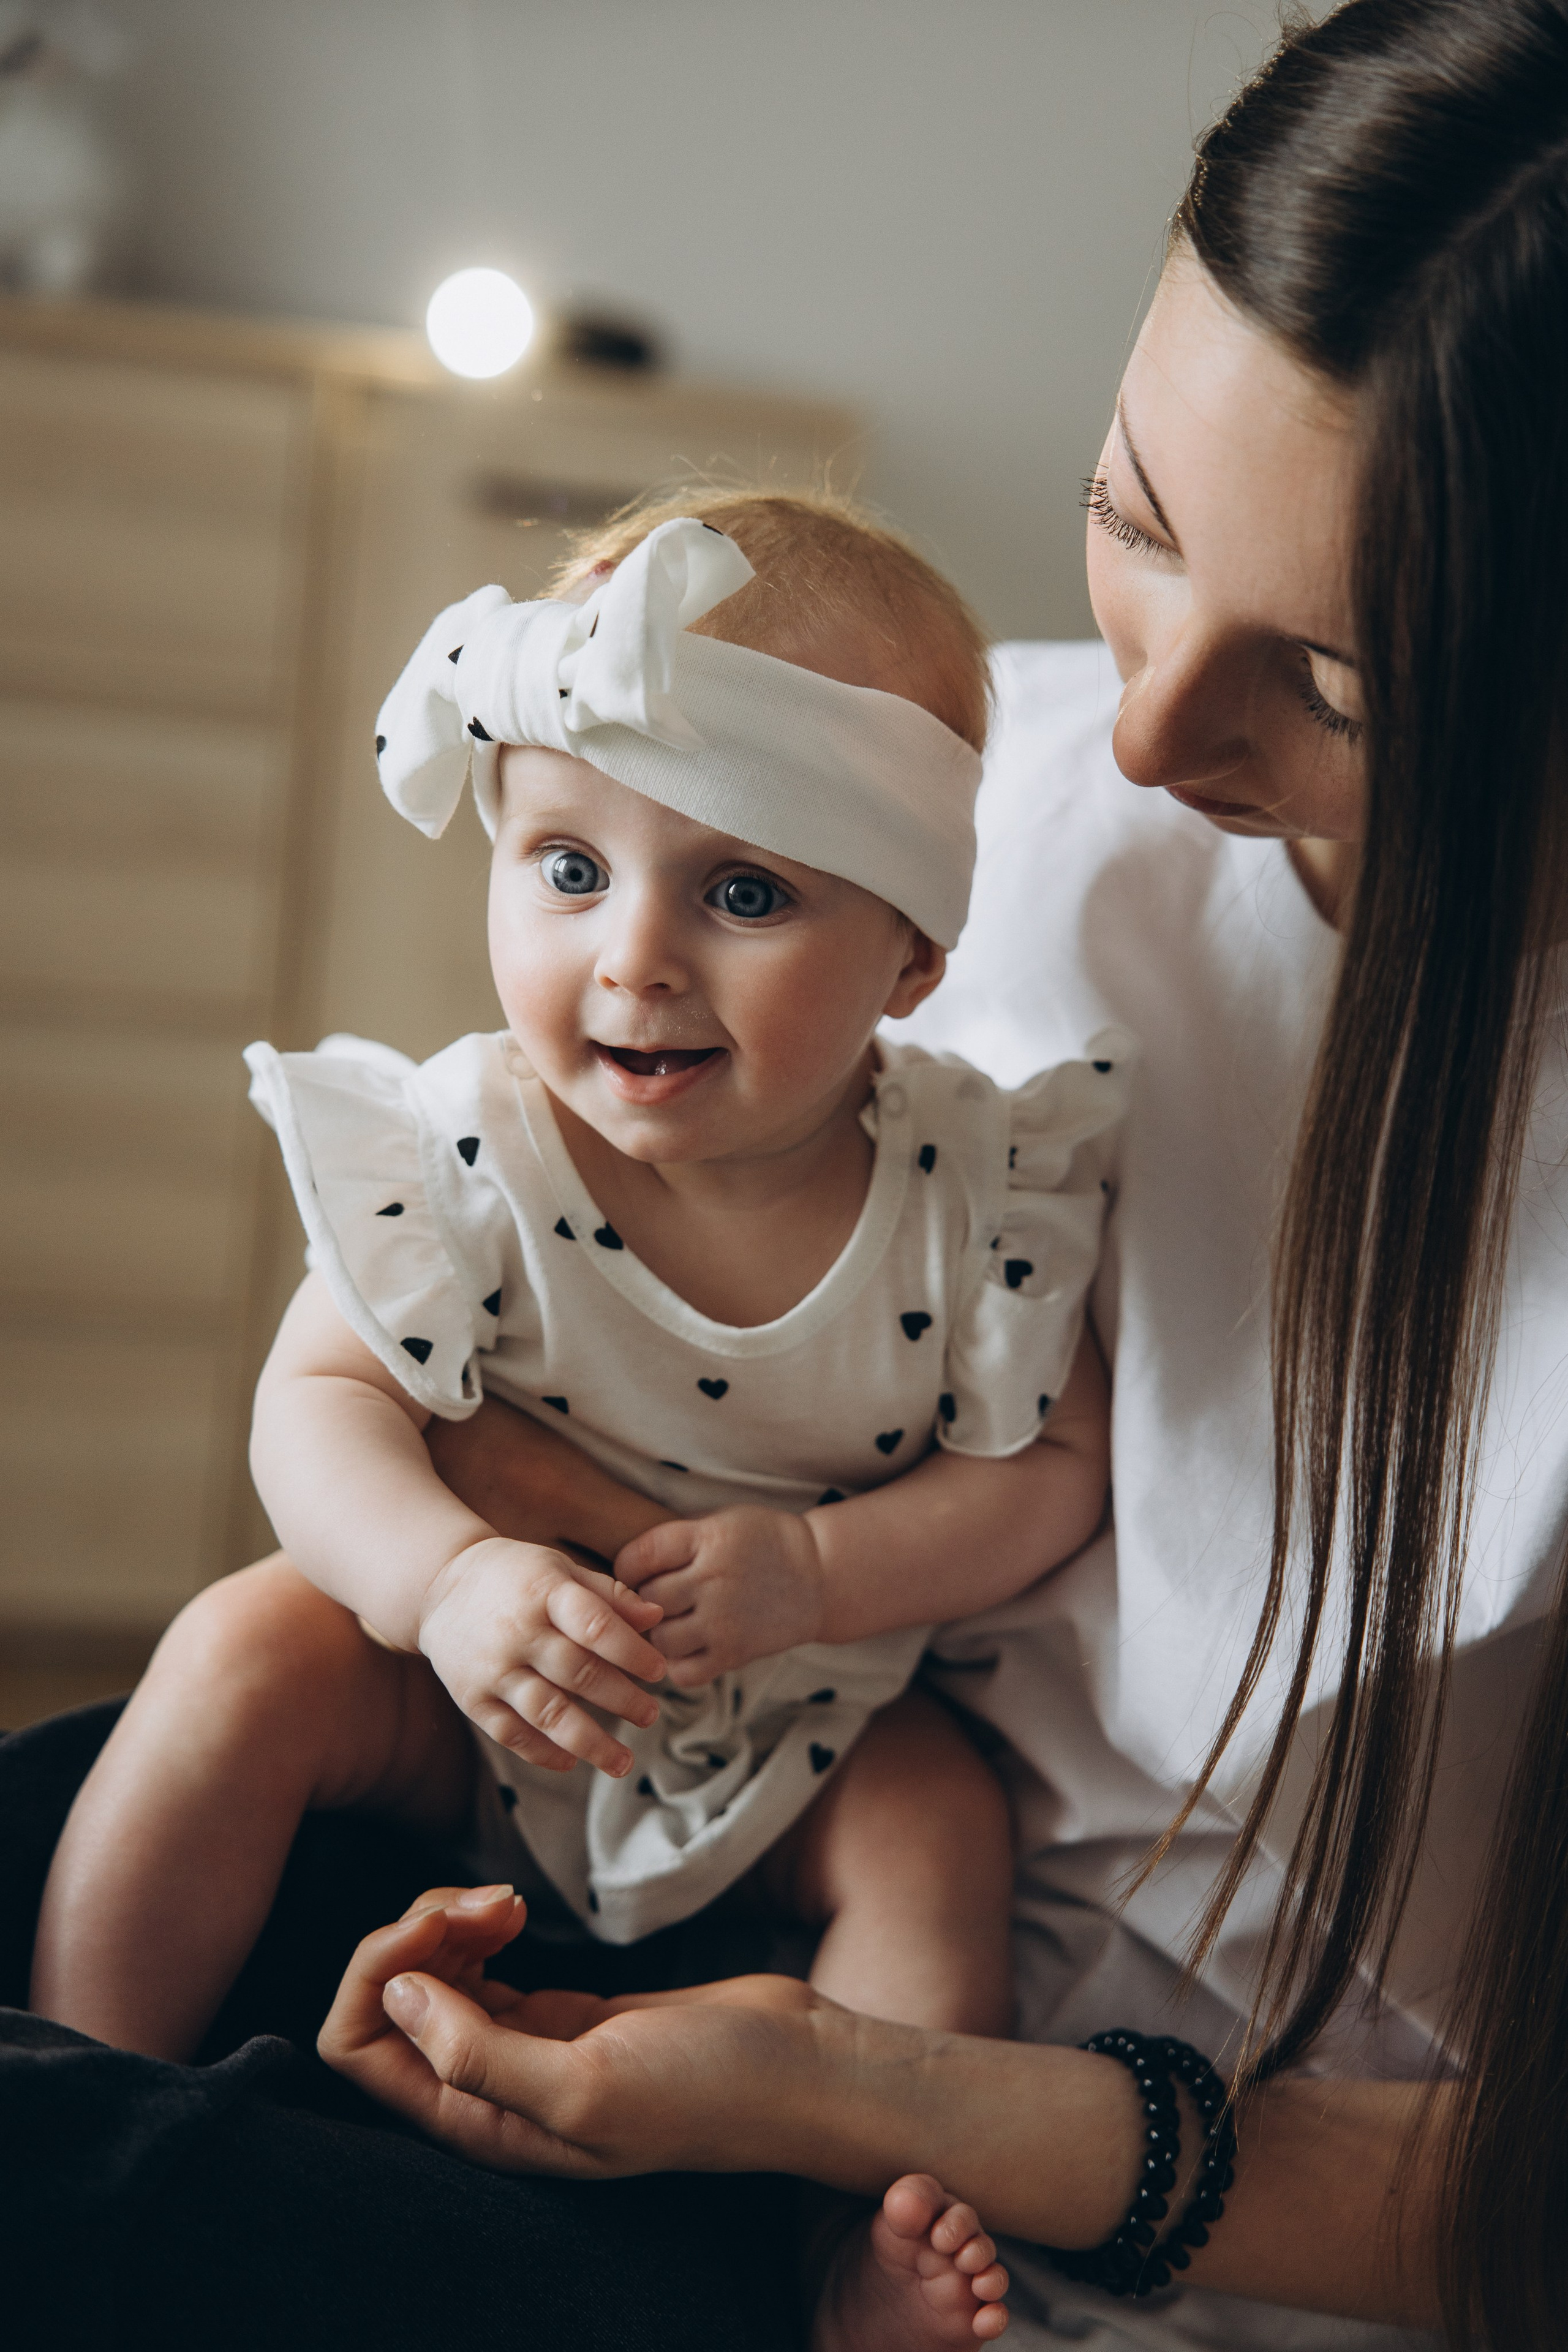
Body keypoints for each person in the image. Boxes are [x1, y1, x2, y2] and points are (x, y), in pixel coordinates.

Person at [10, 0, 1566, 2344]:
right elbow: (377, 1421)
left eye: (1338, 688)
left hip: (1006, 2075)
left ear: (900, 961)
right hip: (529, 1758)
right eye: (1129, 515)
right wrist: (467, 1560)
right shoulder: (942, 787)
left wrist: (860, 2102)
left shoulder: (943, 1062)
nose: (1141, 738)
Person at [29, 492, 1120, 2106]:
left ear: (910, 957)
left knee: (939, 1831)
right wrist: (447, 1582)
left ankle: (862, 2249)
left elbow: (1044, 1473)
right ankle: (78, 2077)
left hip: (797, 1734)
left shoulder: (974, 1190)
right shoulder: (470, 1149)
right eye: (567, 864)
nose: (635, 956)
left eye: (742, 894)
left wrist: (822, 1570)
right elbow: (320, 1404)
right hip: (461, 1701)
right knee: (241, 1648)